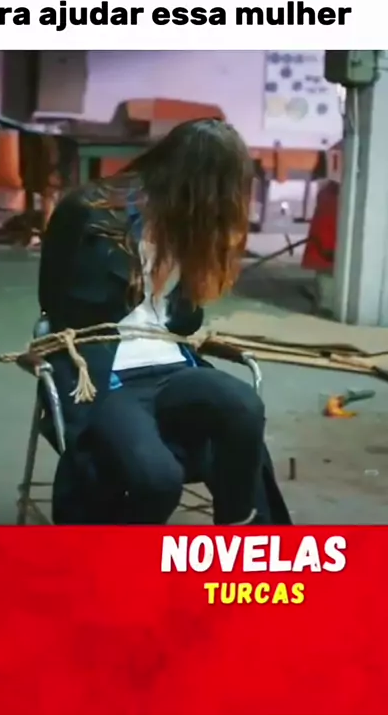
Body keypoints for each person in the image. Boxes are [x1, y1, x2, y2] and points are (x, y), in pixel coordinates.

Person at [38, 118, 292, 525]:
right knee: (158, 478)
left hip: (171, 367)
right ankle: (116, 555)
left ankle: (240, 533)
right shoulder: (92, 213)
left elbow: (185, 321)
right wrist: (134, 271)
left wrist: (191, 260)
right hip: (107, 376)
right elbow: (60, 305)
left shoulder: (189, 225)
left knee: (244, 406)